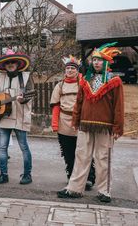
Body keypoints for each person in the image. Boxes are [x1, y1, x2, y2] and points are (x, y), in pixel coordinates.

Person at [57, 43, 124, 203]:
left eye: (99, 60)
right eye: (94, 60)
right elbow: (79, 102)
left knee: (103, 158)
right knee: (81, 156)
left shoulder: (115, 81)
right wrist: (75, 119)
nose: (96, 63)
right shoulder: (85, 80)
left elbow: (118, 106)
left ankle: (104, 191)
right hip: (85, 124)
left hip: (105, 126)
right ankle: (74, 189)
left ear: (106, 62)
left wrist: (117, 127)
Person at [0, 49, 33, 185]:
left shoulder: (26, 77)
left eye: (13, 62)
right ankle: (3, 175)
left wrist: (22, 99)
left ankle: (27, 175)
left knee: (23, 147)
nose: (10, 64)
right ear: (4, 65)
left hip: (20, 116)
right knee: (2, 147)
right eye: (7, 62)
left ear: (17, 64)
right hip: (4, 116)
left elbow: (28, 95)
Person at [50, 55, 95, 190]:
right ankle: (72, 176)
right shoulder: (60, 85)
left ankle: (88, 177)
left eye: (72, 68)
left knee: (84, 152)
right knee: (68, 153)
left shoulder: (83, 84)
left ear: (77, 70)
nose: (69, 70)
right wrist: (55, 123)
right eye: (68, 68)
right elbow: (56, 106)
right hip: (64, 123)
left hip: (80, 122)